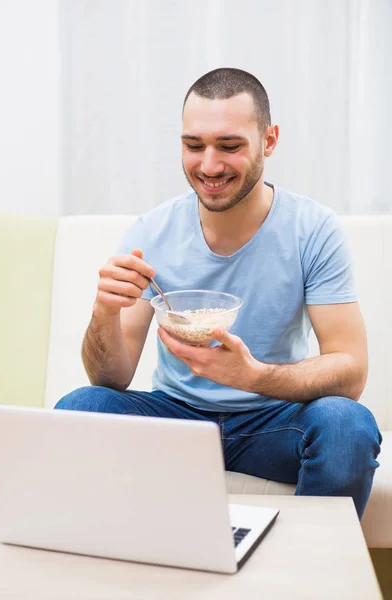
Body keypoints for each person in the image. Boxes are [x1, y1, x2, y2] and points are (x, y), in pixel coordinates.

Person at [55, 67, 381, 519]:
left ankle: (299, 576)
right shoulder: (152, 230)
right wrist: (104, 311)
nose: (209, 165)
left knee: (347, 426)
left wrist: (252, 376)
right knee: (80, 407)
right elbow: (110, 379)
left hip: (274, 423)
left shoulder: (313, 230)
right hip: (176, 421)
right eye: (194, 146)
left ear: (269, 141)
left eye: (229, 146)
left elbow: (350, 371)